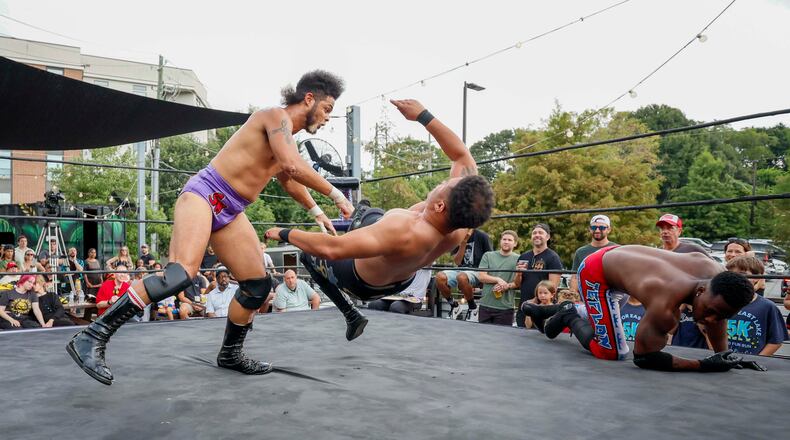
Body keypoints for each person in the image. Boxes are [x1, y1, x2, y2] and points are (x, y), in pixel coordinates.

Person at [68, 70, 354, 385]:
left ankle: (230, 353)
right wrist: (337, 195)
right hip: (204, 194)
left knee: (257, 286)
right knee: (180, 274)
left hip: (231, 210)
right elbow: (291, 166)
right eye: (327, 109)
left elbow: (288, 178)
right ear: (309, 98)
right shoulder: (274, 117)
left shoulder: (287, 140)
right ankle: (92, 335)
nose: (327, 118)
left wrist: (316, 211)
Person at [265, 99, 494, 340]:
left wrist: (283, 232)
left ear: (440, 205)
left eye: (444, 185)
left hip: (358, 281)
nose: (443, 181)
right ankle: (358, 216)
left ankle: (350, 314)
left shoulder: (405, 229)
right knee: (373, 215)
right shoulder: (459, 222)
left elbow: (331, 249)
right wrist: (422, 116)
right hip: (400, 279)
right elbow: (461, 156)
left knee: (308, 254)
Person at [528, 245, 764, 372]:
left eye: (722, 316)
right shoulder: (665, 303)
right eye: (711, 311)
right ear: (701, 291)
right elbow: (643, 357)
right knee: (613, 351)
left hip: (624, 261)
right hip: (596, 271)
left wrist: (724, 355)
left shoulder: (719, 280)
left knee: (607, 320)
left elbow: (718, 313)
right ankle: (568, 313)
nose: (712, 320)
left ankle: (552, 312)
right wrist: (703, 365)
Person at [725, 255, 788, 356]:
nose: (735, 278)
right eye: (731, 274)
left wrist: (757, 359)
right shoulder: (719, 302)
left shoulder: (768, 307)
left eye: (742, 274)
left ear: (757, 277)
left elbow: (776, 340)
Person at [435, 228, 492, 319]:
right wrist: (464, 242)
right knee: (439, 277)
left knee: (461, 277)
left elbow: (490, 258)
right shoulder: (457, 237)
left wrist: (485, 277)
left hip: (477, 271)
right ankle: (454, 306)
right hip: (461, 270)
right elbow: (457, 262)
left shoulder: (482, 236)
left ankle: (473, 308)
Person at [514, 223, 562, 328]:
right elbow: (517, 284)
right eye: (534, 233)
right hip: (524, 308)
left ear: (548, 237)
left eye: (540, 232)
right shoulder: (524, 256)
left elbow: (553, 287)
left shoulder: (553, 257)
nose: (537, 235)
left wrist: (535, 301)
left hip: (543, 310)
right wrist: (518, 275)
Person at [474, 230, 520, 325]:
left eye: (510, 240)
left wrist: (506, 286)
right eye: (504, 239)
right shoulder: (488, 255)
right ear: (500, 241)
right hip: (485, 305)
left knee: (503, 338)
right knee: (482, 337)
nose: (506, 241)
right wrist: (498, 280)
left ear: (515, 243)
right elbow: (481, 276)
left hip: (505, 308)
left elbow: (518, 282)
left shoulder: (519, 259)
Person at [570, 215, 617, 294]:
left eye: (602, 228)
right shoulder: (580, 252)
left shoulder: (617, 250)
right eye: (594, 227)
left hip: (612, 296)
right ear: (590, 229)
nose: (597, 230)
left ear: (609, 230)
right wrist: (573, 295)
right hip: (588, 297)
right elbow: (575, 277)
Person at [366, 268, 432, 315]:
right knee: (374, 304)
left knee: (396, 307)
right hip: (396, 296)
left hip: (416, 299)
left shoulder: (426, 258)